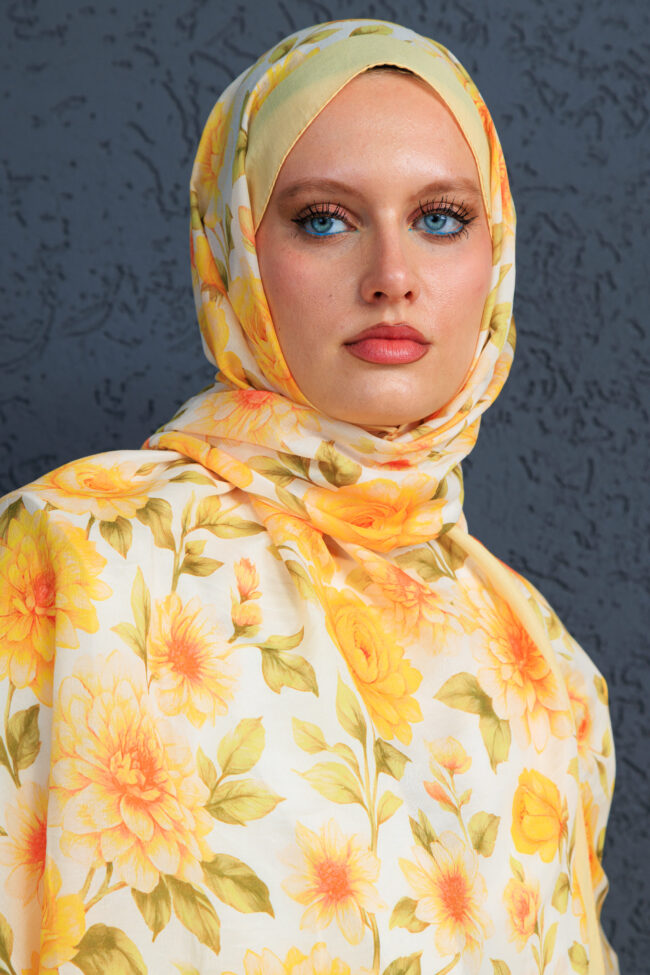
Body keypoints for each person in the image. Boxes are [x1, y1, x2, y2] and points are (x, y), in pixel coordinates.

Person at [0, 18, 618, 975]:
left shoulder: (545, 663)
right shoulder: (70, 557)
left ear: (496, 252)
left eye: (441, 219)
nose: (392, 278)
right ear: (233, 244)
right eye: (325, 219)